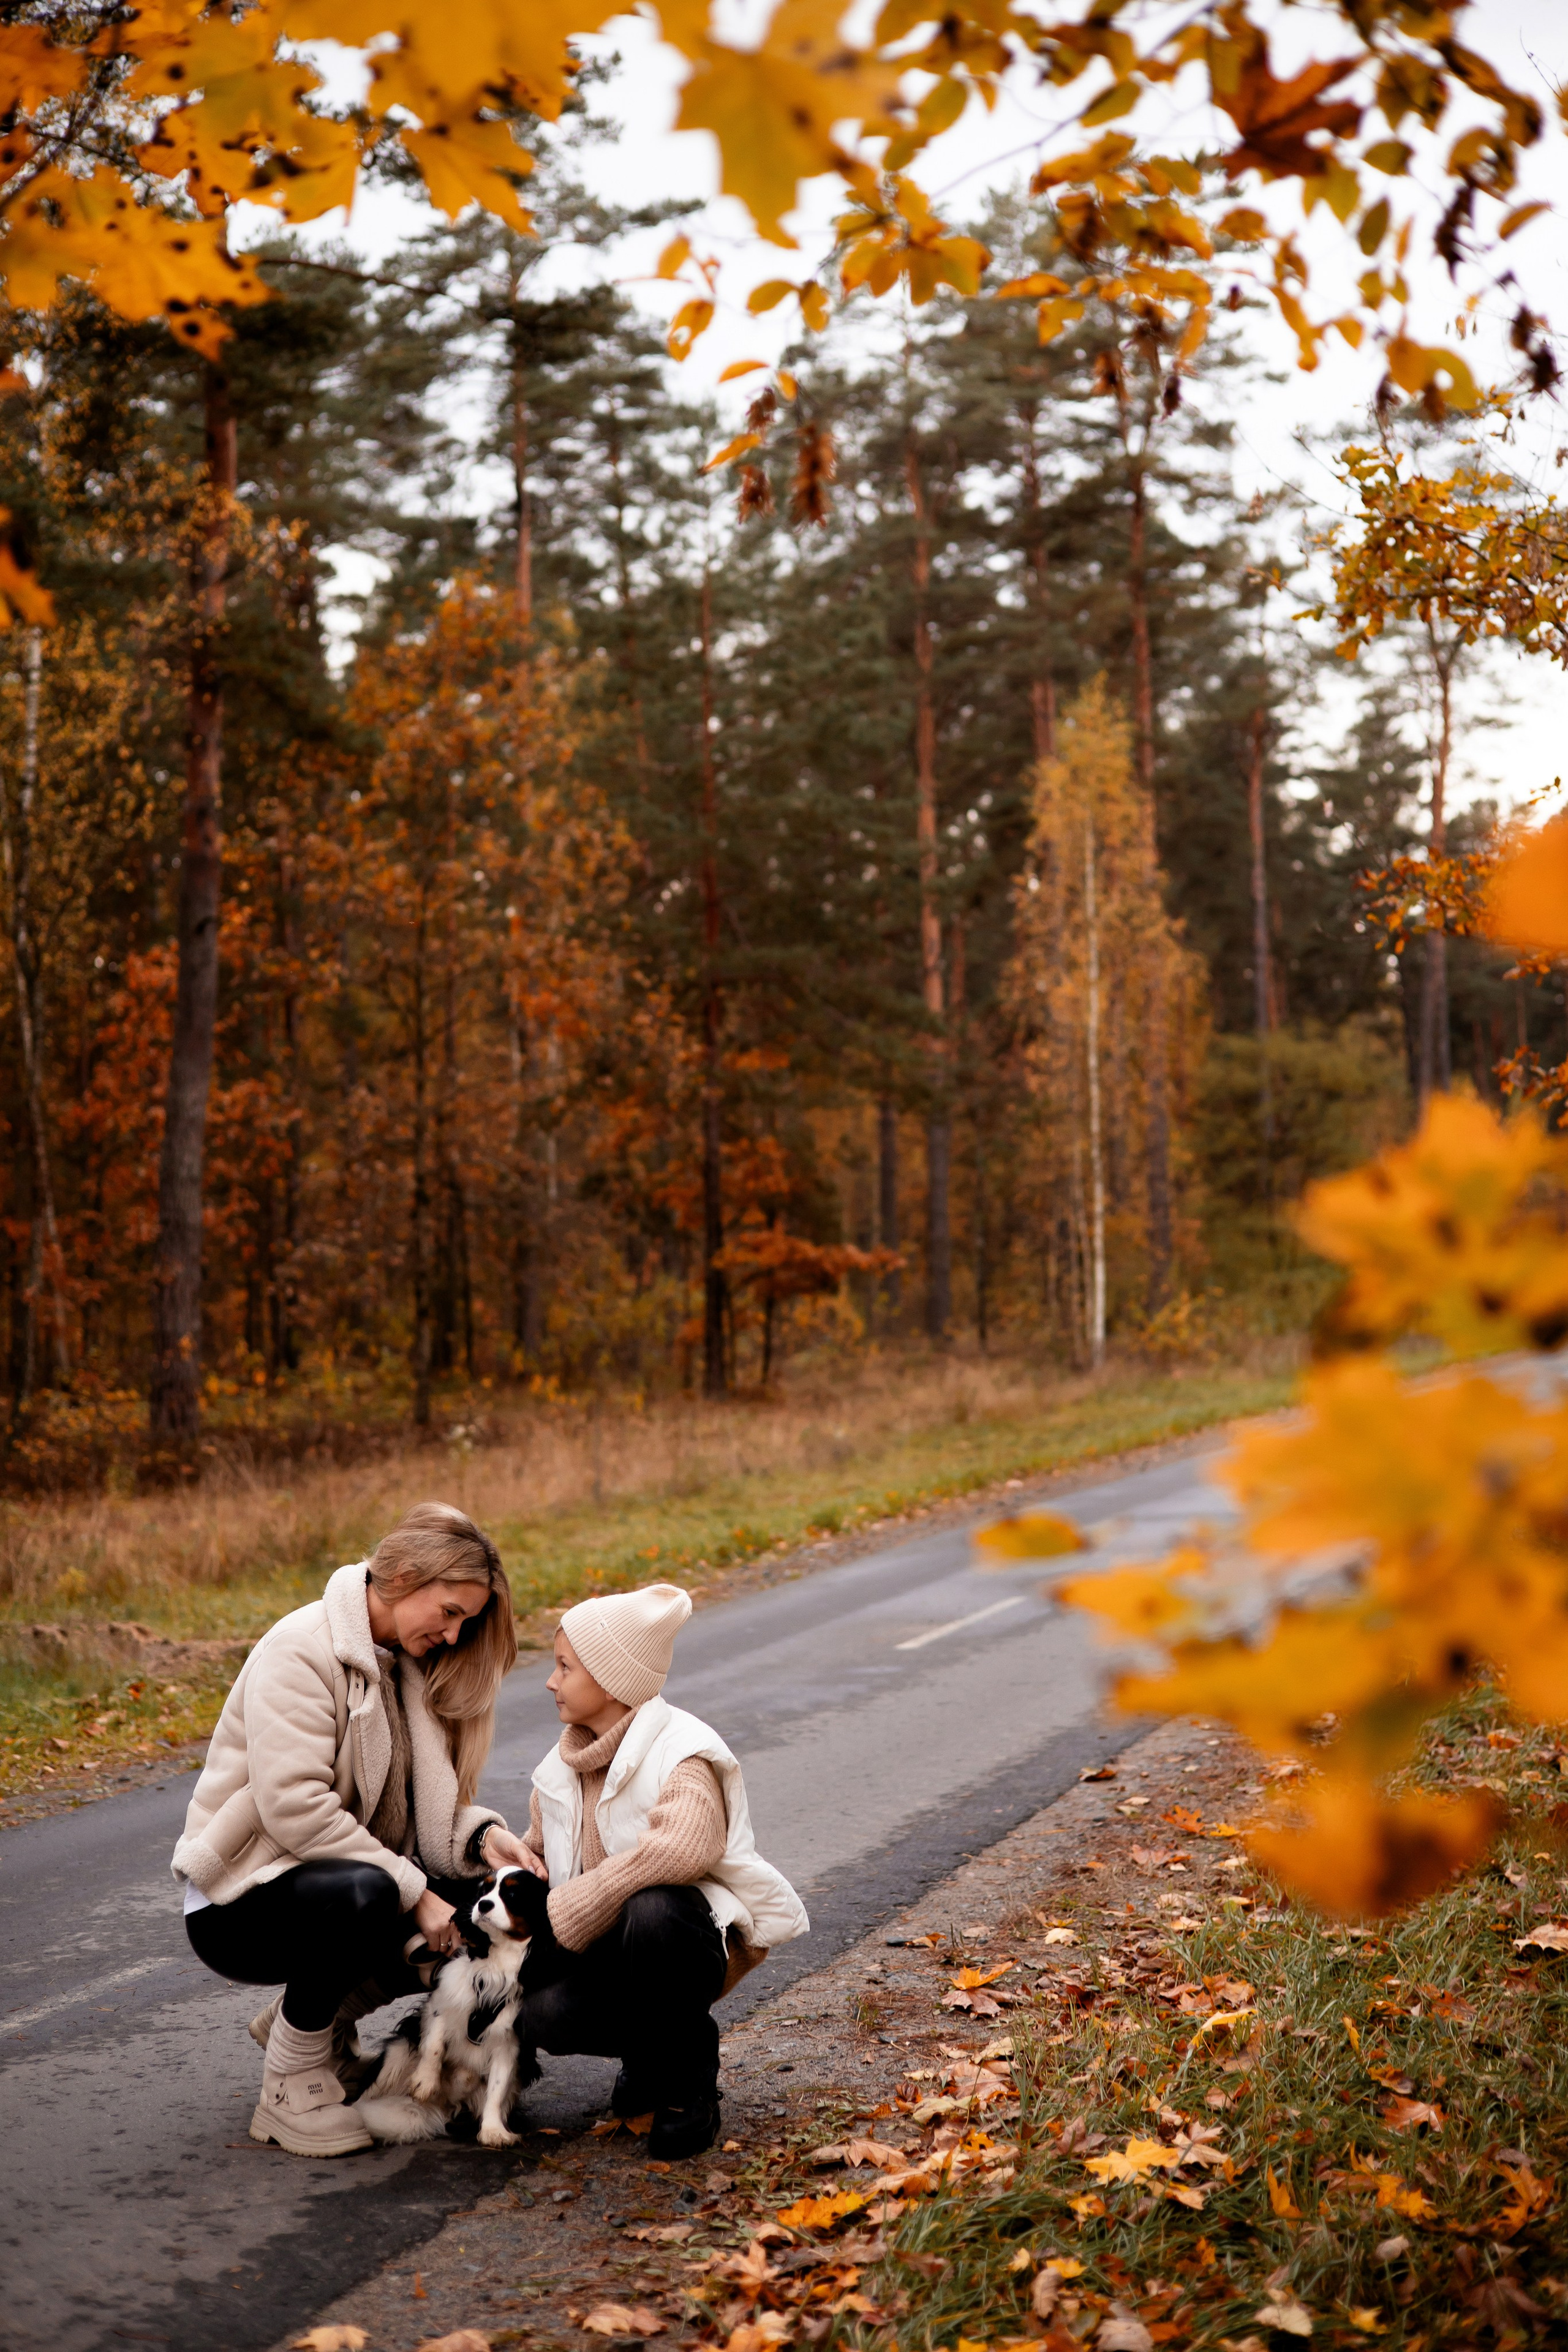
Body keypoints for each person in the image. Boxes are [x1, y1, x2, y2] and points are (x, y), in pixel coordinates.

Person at [173, 1499, 535, 2157]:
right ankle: (288, 2088)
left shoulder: (400, 1664)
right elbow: (295, 1807)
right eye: (450, 1612)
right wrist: (414, 1892)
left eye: (466, 1621)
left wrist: (484, 1840)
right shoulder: (301, 1650)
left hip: (325, 1878)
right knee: (375, 1893)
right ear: (403, 1577)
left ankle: (318, 2030)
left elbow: (417, 1811)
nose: (455, 1635)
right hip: (239, 1899)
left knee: (476, 1906)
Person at [511, 1581, 808, 2160]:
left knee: (652, 1909)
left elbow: (683, 1849)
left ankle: (688, 2085)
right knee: (537, 2011)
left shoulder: (682, 1752)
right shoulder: (561, 1767)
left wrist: (572, 1910)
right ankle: (647, 2058)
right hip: (603, 1954)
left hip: (685, 1945)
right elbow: (540, 1857)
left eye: (565, 1667)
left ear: (610, 1680)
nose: (550, 1681)